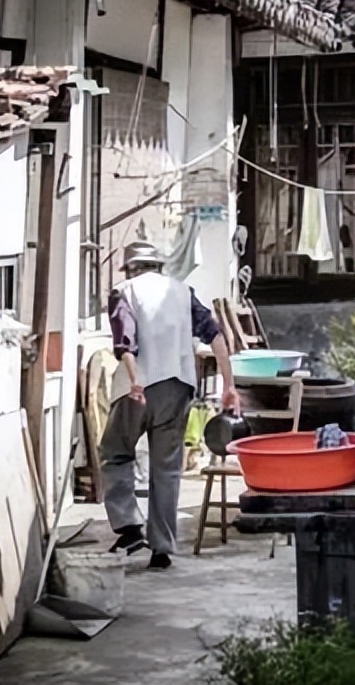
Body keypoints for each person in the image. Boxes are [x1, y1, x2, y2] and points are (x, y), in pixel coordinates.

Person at [103, 241, 239, 569]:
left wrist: (135, 379)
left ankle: (128, 526)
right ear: (159, 266)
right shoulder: (183, 292)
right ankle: (162, 548)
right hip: (177, 386)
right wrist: (229, 386)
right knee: (166, 469)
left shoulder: (123, 292)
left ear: (131, 269)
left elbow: (125, 342)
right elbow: (217, 336)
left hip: (138, 388)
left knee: (115, 452)